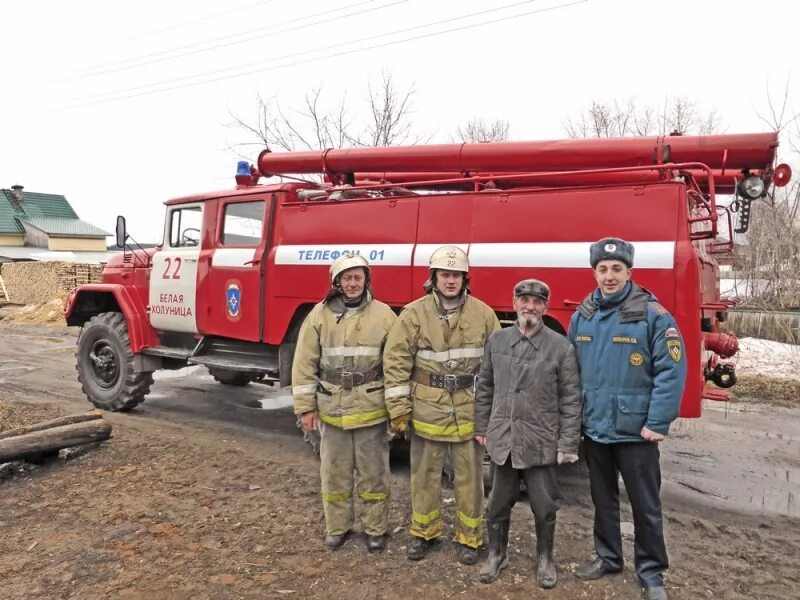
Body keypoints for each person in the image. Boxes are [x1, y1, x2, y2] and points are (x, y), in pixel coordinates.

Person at [568, 237, 687, 600]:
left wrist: (658, 422)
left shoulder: (653, 316)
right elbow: (570, 372)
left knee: (645, 505)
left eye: (616, 269)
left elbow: (672, 371)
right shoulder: (582, 316)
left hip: (637, 432)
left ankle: (651, 572)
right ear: (594, 273)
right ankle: (608, 557)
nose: (609, 276)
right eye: (602, 270)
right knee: (602, 500)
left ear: (629, 272)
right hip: (596, 429)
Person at [383, 245, 500, 564]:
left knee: (471, 479)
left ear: (466, 279)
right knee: (424, 476)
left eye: (457, 275)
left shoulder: (484, 314)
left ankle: (470, 538)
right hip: (426, 409)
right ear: (433, 278)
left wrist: (494, 412)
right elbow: (396, 361)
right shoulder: (413, 314)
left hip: (469, 408)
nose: (451, 281)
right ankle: (424, 533)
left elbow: (497, 365)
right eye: (445, 275)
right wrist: (398, 411)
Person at [474, 278, 582, 589]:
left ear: (546, 308)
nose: (530, 307)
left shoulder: (561, 348)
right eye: (524, 300)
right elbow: (485, 388)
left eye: (537, 302)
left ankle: (545, 559)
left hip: (541, 442)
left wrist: (567, 442)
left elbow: (571, 399)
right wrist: (483, 427)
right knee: (497, 504)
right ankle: (496, 554)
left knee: (545, 507)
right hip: (504, 440)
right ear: (514, 303)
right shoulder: (497, 342)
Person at [292, 253, 397, 553]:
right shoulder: (319, 315)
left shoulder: (385, 315)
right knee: (334, 474)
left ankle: (376, 529)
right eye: (347, 278)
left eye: (358, 277)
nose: (353, 283)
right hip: (332, 409)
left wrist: (397, 409)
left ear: (367, 280)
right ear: (337, 282)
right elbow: (304, 363)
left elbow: (395, 364)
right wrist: (305, 408)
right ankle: (338, 528)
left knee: (374, 474)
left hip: (371, 410)